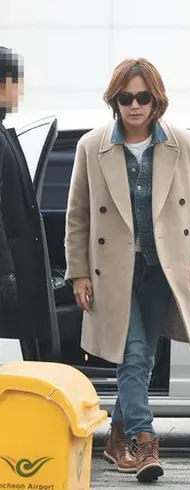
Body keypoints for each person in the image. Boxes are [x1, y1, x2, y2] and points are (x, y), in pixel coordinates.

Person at [64, 58, 190, 483]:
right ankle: (144, 440)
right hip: (112, 271)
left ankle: (116, 438)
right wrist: (79, 272)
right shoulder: (92, 147)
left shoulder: (181, 143)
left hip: (162, 268)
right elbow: (78, 215)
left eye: (143, 97)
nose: (134, 106)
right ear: (114, 101)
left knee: (142, 359)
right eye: (126, 98)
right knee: (132, 354)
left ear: (156, 100)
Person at [0, 46, 57, 359]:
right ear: (4, 84)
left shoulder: (4, 132)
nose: (19, 92)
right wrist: (6, 273)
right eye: (17, 83)